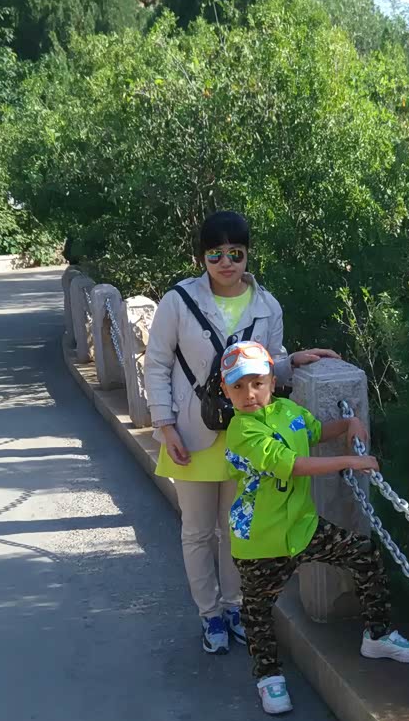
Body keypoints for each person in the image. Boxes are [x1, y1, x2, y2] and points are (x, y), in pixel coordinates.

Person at [144, 210, 339, 656]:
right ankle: (209, 613)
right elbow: (157, 364)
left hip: (248, 436)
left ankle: (235, 607)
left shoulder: (267, 305)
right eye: (215, 254)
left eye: (235, 253)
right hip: (191, 434)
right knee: (197, 532)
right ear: (201, 257)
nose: (226, 262)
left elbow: (267, 367)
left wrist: (293, 360)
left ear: (248, 254)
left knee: (238, 530)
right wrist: (164, 425)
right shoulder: (178, 301)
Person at [221, 340, 409, 715]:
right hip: (260, 540)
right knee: (257, 611)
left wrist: (350, 423)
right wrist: (351, 460)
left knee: (364, 553)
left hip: (303, 527)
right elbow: (291, 465)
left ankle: (378, 635)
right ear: (226, 391)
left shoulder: (288, 411)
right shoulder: (241, 430)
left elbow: (315, 432)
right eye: (238, 386)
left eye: (257, 383)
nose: (249, 394)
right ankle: (269, 678)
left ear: (272, 382)